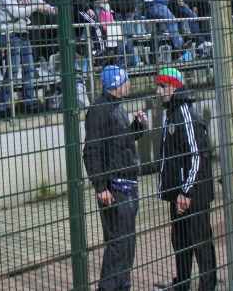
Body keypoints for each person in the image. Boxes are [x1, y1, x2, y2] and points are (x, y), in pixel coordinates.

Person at [83, 65, 147, 291]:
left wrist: (137, 127)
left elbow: (122, 143)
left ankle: (122, 285)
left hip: (126, 184)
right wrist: (101, 186)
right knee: (118, 244)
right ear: (117, 85)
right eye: (126, 80)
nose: (129, 84)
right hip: (116, 187)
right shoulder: (100, 110)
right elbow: (91, 151)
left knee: (127, 242)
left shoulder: (115, 107)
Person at [154, 67, 217, 291]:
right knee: (180, 240)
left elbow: (197, 155)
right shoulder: (171, 113)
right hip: (179, 192)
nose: (159, 91)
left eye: (163, 86)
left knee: (200, 240)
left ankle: (208, 286)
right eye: (158, 86)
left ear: (174, 86)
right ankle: (181, 283)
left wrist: (187, 191)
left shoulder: (185, 113)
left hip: (192, 193)